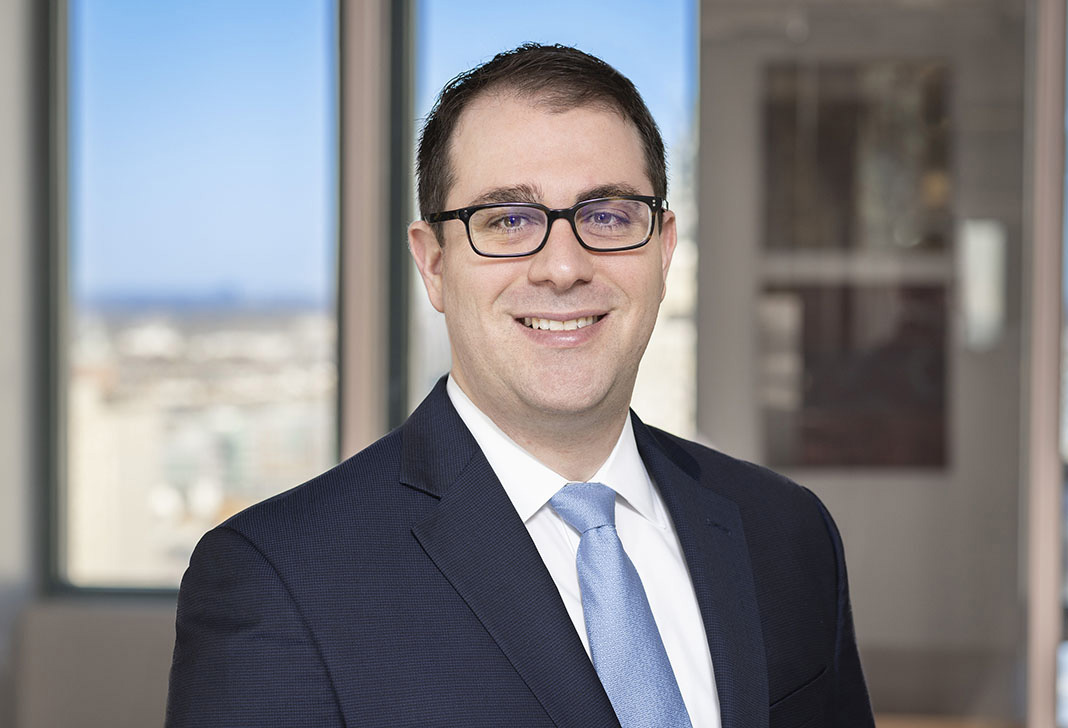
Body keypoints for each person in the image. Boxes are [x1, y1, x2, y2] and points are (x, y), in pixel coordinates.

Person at [166, 43, 875, 728]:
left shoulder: (786, 533)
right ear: (434, 264)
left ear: (663, 250)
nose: (563, 267)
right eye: (508, 220)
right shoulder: (280, 580)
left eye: (606, 215)